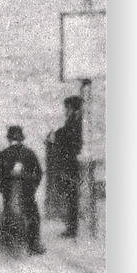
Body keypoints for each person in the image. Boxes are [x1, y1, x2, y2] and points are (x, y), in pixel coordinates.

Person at [0, 125, 44, 254]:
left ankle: (7, 241)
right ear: (21, 139)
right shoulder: (29, 153)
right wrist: (32, 188)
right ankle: (34, 245)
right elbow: (38, 173)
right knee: (33, 216)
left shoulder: (3, 154)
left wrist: (3, 189)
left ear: (9, 139)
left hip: (9, 192)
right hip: (27, 192)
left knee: (7, 212)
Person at [50, 96, 83, 238]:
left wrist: (56, 135)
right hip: (69, 163)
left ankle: (72, 229)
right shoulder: (74, 121)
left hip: (71, 164)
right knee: (70, 196)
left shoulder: (75, 122)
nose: (65, 111)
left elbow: (69, 136)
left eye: (67, 108)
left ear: (72, 108)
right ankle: (71, 228)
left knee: (72, 196)